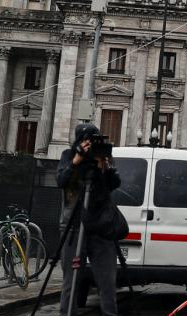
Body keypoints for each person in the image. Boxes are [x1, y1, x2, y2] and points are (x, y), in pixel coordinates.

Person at [56, 123, 122, 316]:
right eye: (87, 140)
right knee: (71, 281)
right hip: (74, 226)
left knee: (108, 281)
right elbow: (60, 181)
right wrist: (76, 160)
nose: (90, 145)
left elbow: (114, 184)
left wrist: (105, 167)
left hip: (101, 226)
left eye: (94, 140)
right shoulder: (69, 156)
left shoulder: (101, 157)